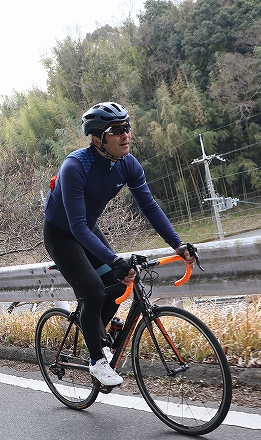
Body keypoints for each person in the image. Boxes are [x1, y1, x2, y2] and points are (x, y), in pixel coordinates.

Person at [43, 101, 196, 386]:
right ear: (97, 138)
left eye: (127, 127)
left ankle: (97, 330)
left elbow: (149, 206)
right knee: (92, 291)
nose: (125, 135)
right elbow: (76, 227)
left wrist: (177, 244)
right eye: (116, 130)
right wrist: (114, 260)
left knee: (116, 283)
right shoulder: (75, 167)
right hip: (62, 234)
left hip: (87, 229)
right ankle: (96, 361)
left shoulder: (128, 164)